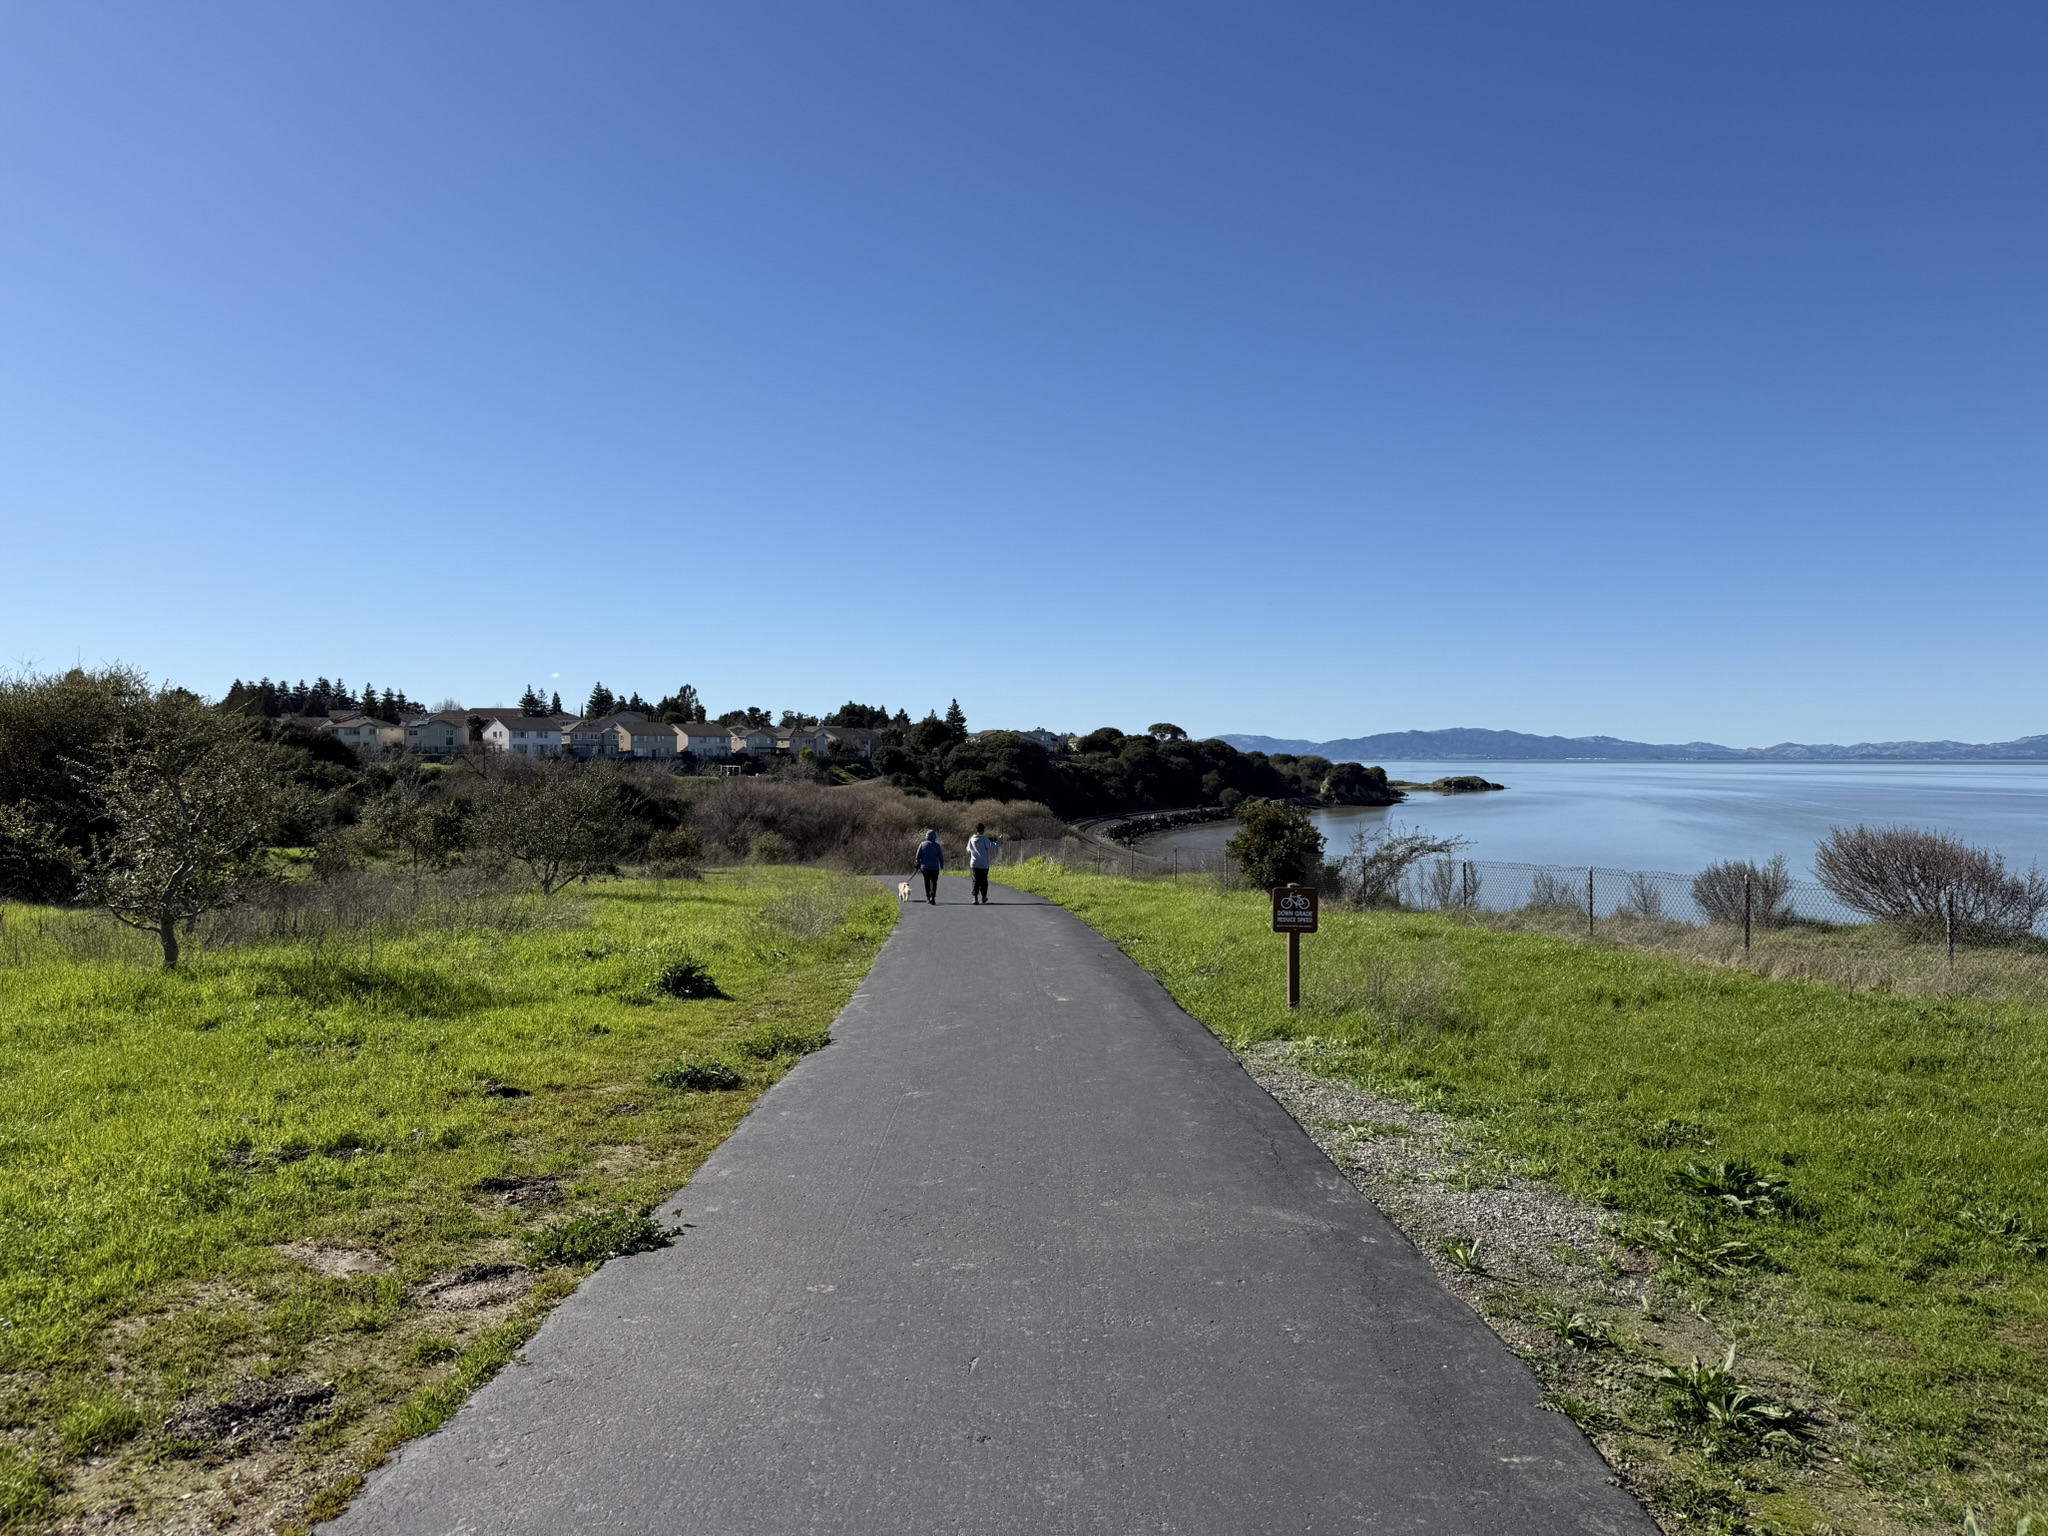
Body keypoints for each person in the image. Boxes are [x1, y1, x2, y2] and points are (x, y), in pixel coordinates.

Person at [965, 823, 1001, 904]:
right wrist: (998, 842)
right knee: (984, 881)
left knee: (975, 880)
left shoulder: (971, 839)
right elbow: (990, 846)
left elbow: (968, 850)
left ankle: (975, 897)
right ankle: (984, 897)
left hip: (974, 863)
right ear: (983, 830)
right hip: (984, 864)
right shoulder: (984, 839)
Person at [915, 829, 944, 904]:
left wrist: (917, 863)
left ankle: (928, 897)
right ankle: (933, 897)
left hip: (925, 868)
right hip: (934, 867)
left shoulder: (922, 844)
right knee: (934, 882)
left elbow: (917, 856)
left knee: (926, 882)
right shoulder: (937, 845)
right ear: (934, 837)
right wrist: (941, 865)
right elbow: (940, 856)